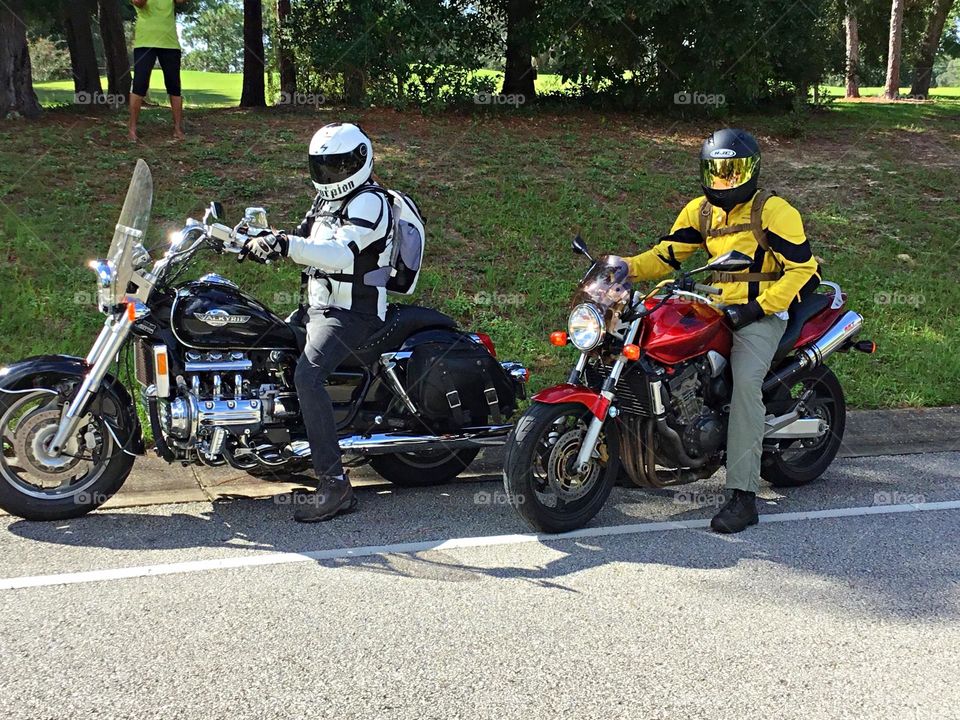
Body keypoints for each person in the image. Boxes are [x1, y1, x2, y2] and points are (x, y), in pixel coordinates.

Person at [624, 128, 819, 534]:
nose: (724, 181)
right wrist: (623, 268)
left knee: (746, 384)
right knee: (646, 350)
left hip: (762, 312)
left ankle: (743, 497)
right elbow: (665, 256)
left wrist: (757, 309)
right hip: (712, 305)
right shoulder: (701, 211)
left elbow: (802, 269)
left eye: (732, 172)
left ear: (752, 170)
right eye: (716, 172)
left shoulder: (774, 210)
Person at [241, 123, 393, 523]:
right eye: (323, 166)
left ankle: (334, 483)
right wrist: (253, 238)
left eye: (338, 165)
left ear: (359, 161)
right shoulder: (324, 204)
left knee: (308, 376)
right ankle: (275, 447)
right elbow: (302, 238)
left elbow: (340, 253)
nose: (330, 174)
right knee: (262, 350)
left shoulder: (370, 202)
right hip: (317, 311)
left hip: (352, 314)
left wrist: (286, 245)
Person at [128, 0, 186, 142]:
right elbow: (139, 2)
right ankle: (132, 128)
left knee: (174, 86)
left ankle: (177, 129)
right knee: (139, 84)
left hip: (170, 43)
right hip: (145, 42)